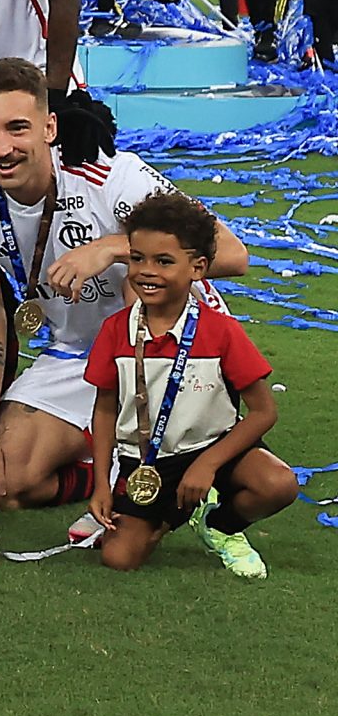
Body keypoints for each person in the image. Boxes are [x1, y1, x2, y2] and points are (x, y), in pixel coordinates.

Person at [0, 58, 248, 521]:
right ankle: (106, 468)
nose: (1, 148)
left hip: (172, 347)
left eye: (17, 128)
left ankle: (158, 452)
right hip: (77, 353)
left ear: (49, 128)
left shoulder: (114, 177)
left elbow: (231, 254)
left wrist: (115, 247)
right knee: (4, 484)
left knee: (136, 284)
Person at [84, 190, 291, 578]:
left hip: (215, 448)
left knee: (277, 483)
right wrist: (101, 484)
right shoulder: (115, 331)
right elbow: (105, 408)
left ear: (197, 268)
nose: (146, 271)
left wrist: (208, 464)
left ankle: (220, 526)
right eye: (137, 258)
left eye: (164, 261)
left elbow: (264, 412)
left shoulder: (221, 331)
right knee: (119, 557)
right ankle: (172, 516)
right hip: (146, 461)